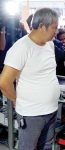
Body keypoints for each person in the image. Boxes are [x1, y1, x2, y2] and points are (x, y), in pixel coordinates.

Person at [0, 8, 61, 150]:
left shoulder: (50, 45)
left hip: (51, 110)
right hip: (31, 114)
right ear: (41, 26)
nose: (56, 31)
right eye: (54, 28)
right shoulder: (21, 48)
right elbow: (4, 83)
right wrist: (16, 99)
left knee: (45, 146)